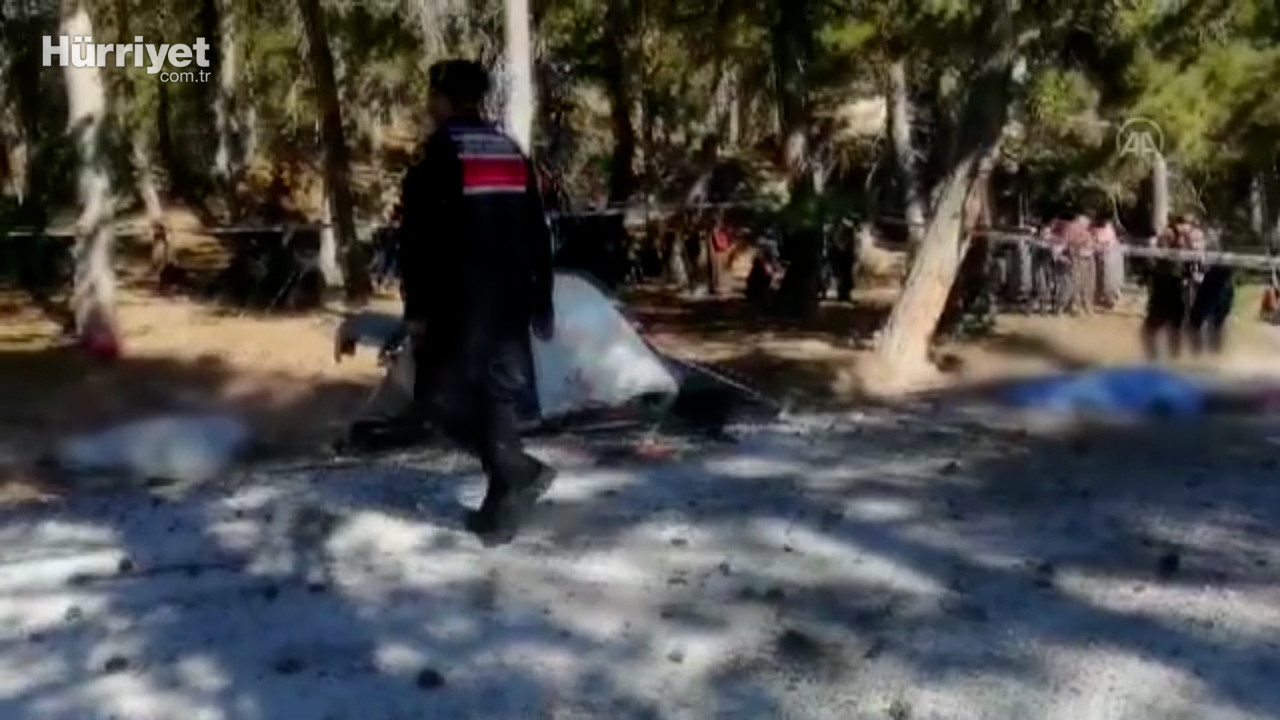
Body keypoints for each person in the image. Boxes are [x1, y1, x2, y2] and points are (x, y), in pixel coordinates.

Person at [396, 59, 557, 541]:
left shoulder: (439, 155)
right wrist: (542, 296)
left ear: (443, 99)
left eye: (432, 95)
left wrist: (417, 311)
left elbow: (419, 243)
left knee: (436, 400)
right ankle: (501, 514)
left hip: (459, 303)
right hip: (510, 299)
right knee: (494, 400)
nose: (429, 104)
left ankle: (519, 470)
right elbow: (537, 230)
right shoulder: (510, 151)